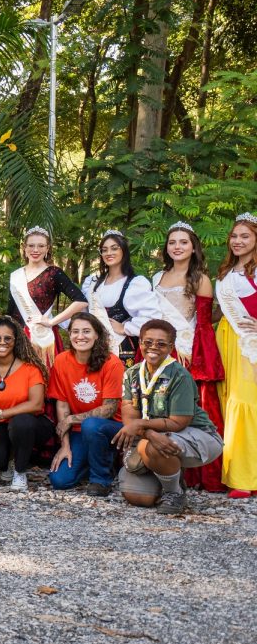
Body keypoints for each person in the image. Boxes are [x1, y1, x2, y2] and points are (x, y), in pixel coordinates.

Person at [116, 319, 224, 514]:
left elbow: (178, 422)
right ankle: (170, 473)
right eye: (148, 342)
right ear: (140, 343)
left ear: (171, 347)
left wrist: (142, 427)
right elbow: (128, 414)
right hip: (152, 436)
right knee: (139, 497)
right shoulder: (132, 373)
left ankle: (174, 492)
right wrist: (148, 432)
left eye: (161, 344)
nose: (153, 347)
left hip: (196, 434)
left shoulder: (179, 375)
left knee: (150, 446)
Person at [153, 221, 225, 493]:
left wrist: (201, 360)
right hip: (162, 351)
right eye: (172, 242)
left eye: (183, 242)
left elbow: (204, 325)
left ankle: (199, 474)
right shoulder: (156, 277)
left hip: (188, 351)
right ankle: (165, 465)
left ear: (193, 247)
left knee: (191, 408)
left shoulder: (201, 279)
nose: (177, 247)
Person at [0, 317, 54, 491]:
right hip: (2, 426)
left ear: (16, 341)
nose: (2, 342)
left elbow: (36, 404)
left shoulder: (30, 369)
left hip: (32, 424)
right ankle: (8, 461)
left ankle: (20, 471)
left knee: (21, 423)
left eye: (8, 338)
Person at [47, 312, 124, 496]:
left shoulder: (112, 363)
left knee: (91, 425)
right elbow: (62, 405)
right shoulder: (61, 361)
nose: (80, 336)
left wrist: (73, 419)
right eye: (75, 331)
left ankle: (101, 480)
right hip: (79, 431)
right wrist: (65, 445)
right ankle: (100, 460)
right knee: (60, 480)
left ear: (97, 334)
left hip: (111, 428)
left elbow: (109, 409)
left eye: (86, 331)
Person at [215, 212, 257, 499]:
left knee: (246, 404)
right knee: (228, 401)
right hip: (226, 339)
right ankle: (237, 472)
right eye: (234, 236)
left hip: (249, 342)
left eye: (245, 236)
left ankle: (246, 476)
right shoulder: (226, 273)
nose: (238, 241)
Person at [82, 230, 163, 367]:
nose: (109, 253)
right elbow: (83, 310)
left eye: (114, 248)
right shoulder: (92, 282)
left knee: (120, 386)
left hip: (120, 347)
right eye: (104, 250)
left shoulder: (135, 283)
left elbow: (151, 316)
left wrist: (126, 327)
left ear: (123, 251)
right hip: (93, 346)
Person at [7, 226, 86, 366]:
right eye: (31, 245)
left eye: (41, 246)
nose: (35, 250)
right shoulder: (16, 276)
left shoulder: (54, 273)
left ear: (47, 248)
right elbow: (11, 312)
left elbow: (81, 301)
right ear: (24, 248)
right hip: (18, 338)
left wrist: (52, 321)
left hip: (44, 338)